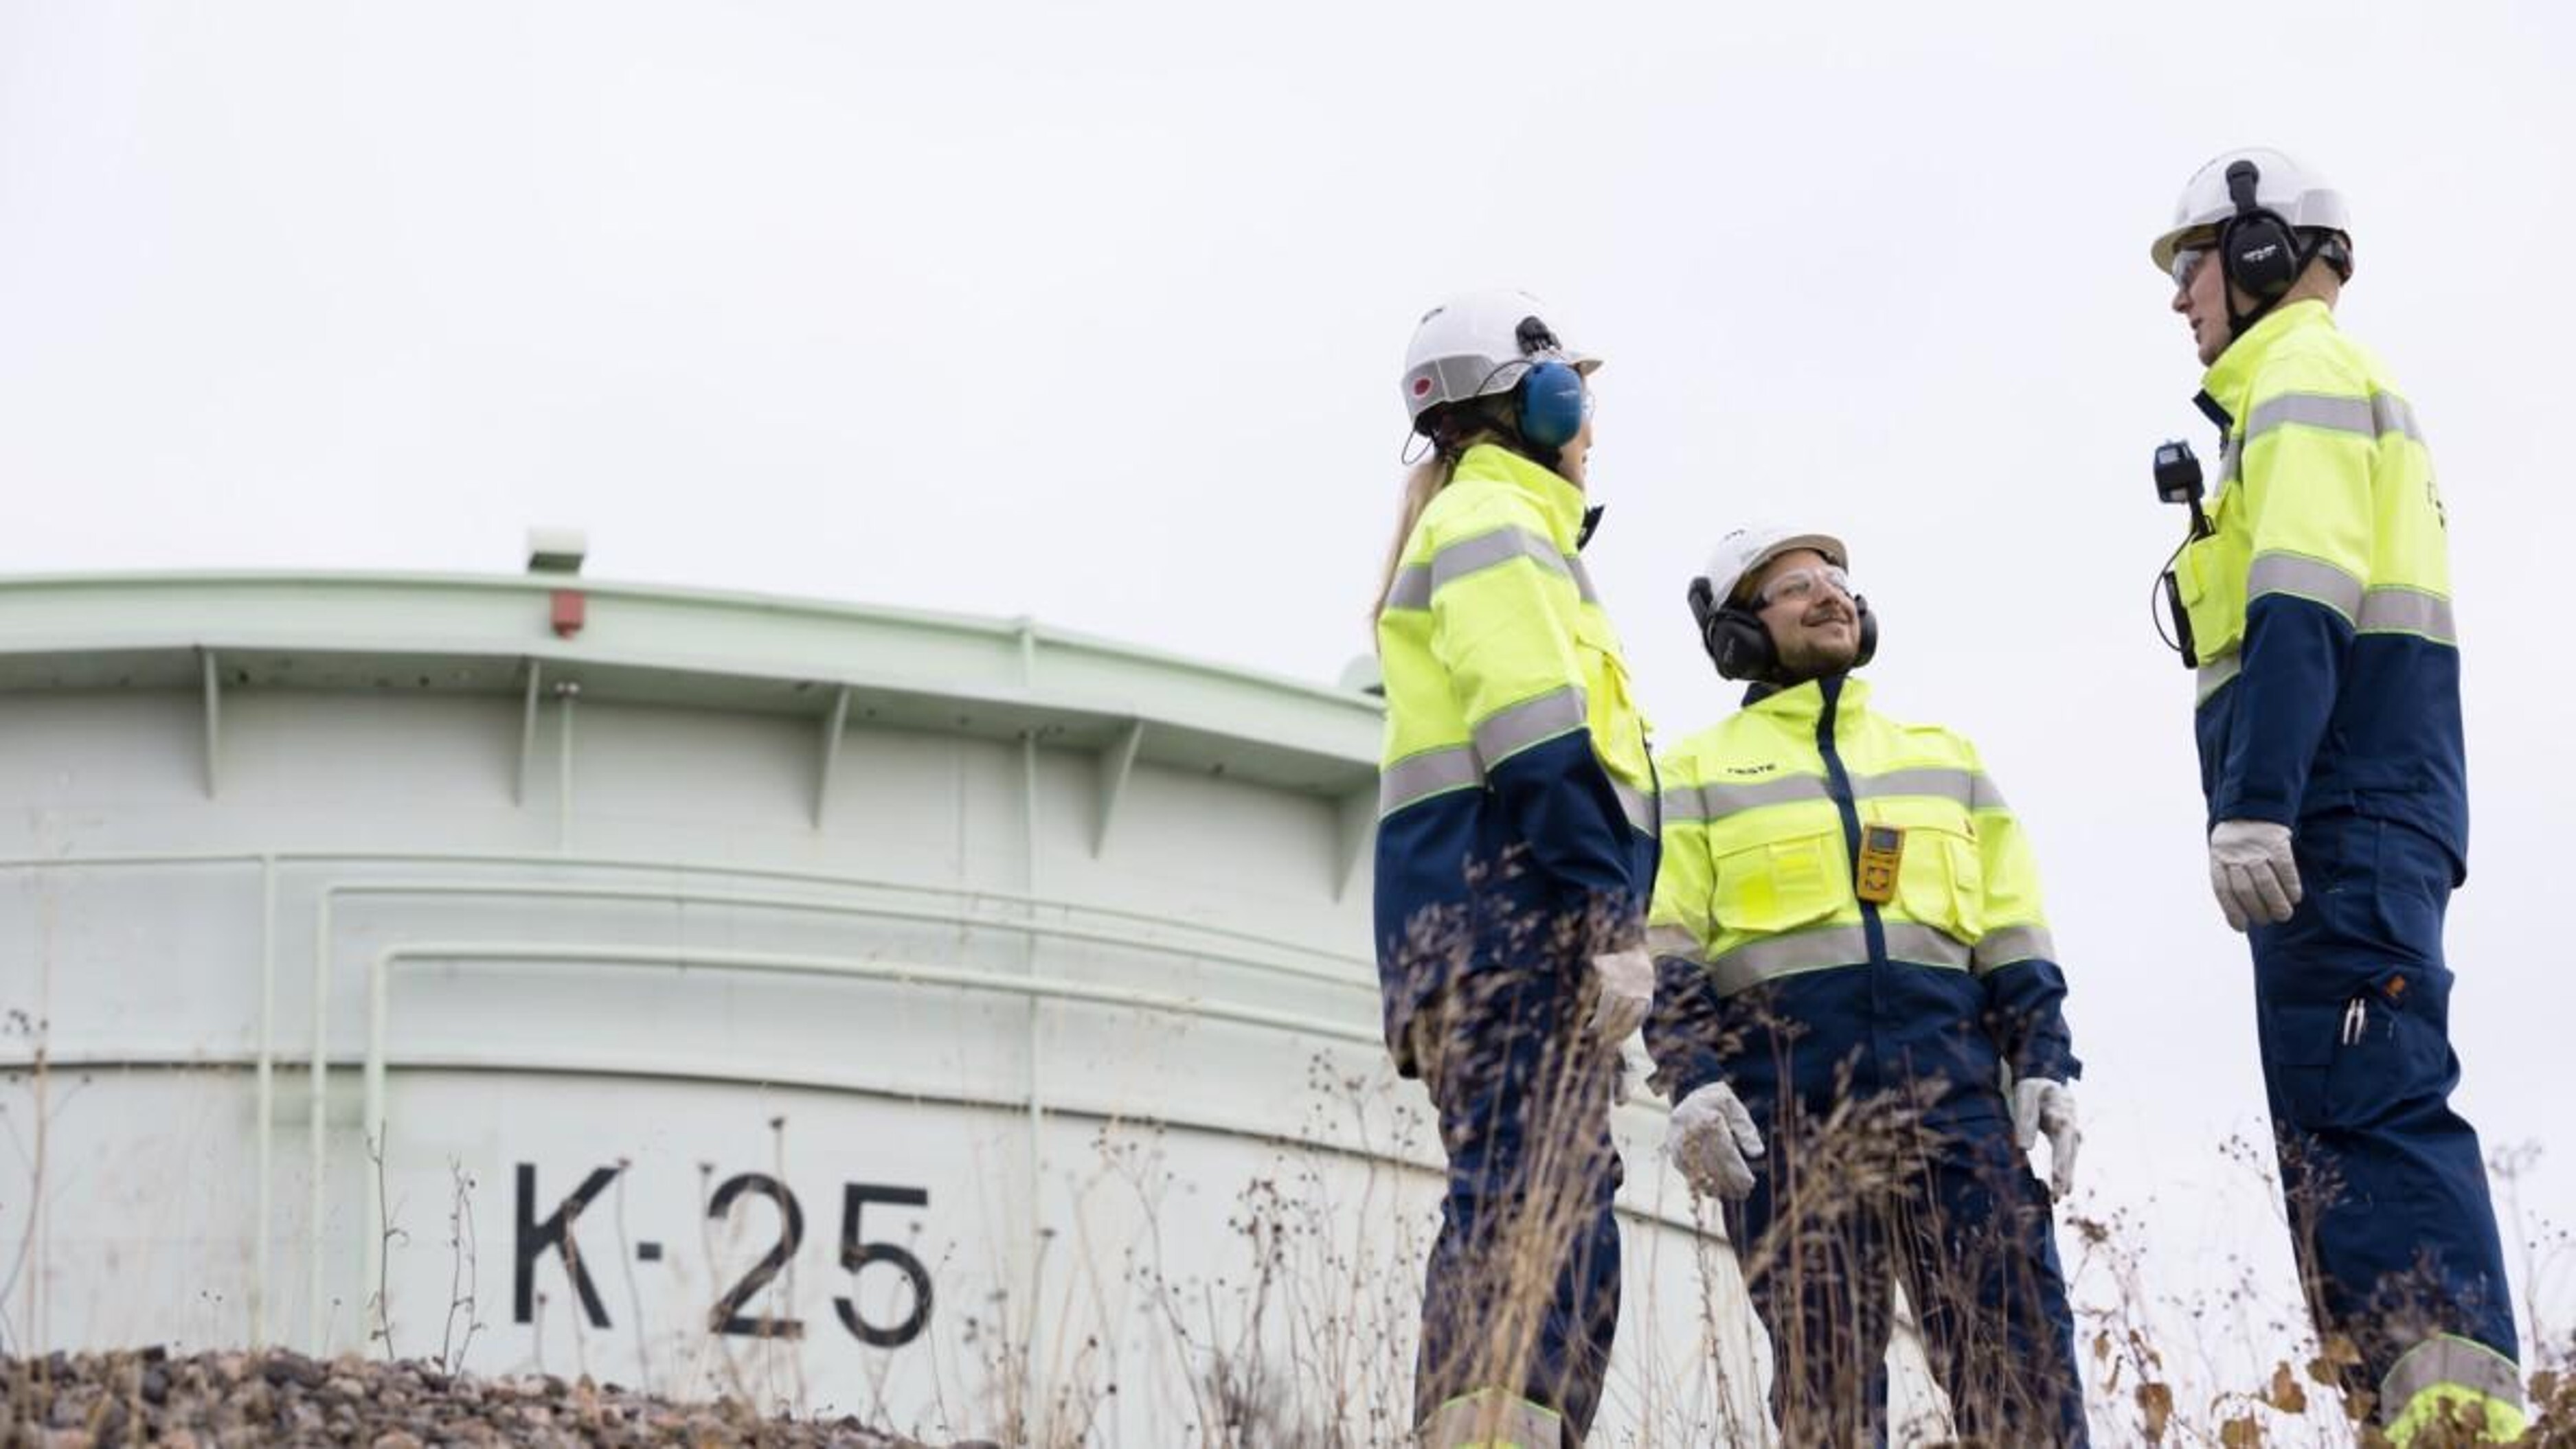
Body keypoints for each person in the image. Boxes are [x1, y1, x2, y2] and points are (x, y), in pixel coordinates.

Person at [2149, 147, 2522, 1442]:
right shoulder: (2306, 391)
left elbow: (2302, 595)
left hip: (2334, 810)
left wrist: (2257, 800)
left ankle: (2454, 1421)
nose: (2179, 297)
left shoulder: (2301, 376)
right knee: (2332, 1125)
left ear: (2256, 254)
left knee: (2369, 1112)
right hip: (2352, 812)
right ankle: (2399, 1410)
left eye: (2190, 262)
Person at [1643, 525, 2088, 1446]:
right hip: (1788, 1121)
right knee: (1828, 1400)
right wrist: (1689, 1080)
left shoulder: (1945, 758)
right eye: (1794, 586)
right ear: (1737, 633)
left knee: (2022, 1376)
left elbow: (2011, 932)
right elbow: (1666, 949)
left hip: (1957, 1110)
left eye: (1837, 578)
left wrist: (2044, 1057)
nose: (1829, 593)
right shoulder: (1690, 771)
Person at [1370, 289, 1660, 1449]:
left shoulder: (1487, 524)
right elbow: (1536, 736)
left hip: (1492, 924)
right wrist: (1607, 917)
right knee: (1531, 1205)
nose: (1588, 423)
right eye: (1575, 396)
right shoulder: (1494, 523)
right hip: (1511, 920)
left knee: (1547, 1201)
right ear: (1531, 398)